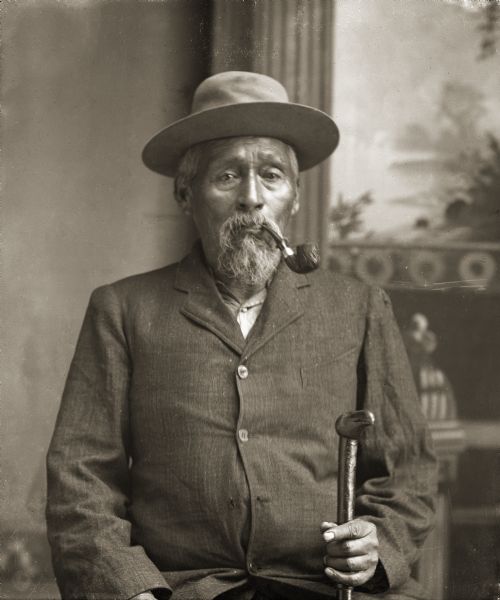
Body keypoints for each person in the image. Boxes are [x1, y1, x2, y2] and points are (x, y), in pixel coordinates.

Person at [46, 71, 437, 600]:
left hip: (326, 590)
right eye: (228, 177)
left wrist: (378, 543)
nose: (252, 199)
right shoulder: (123, 309)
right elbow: (81, 480)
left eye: (272, 176)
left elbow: (408, 470)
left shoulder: (358, 307)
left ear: (293, 198)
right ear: (186, 193)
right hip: (181, 590)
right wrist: (130, 589)